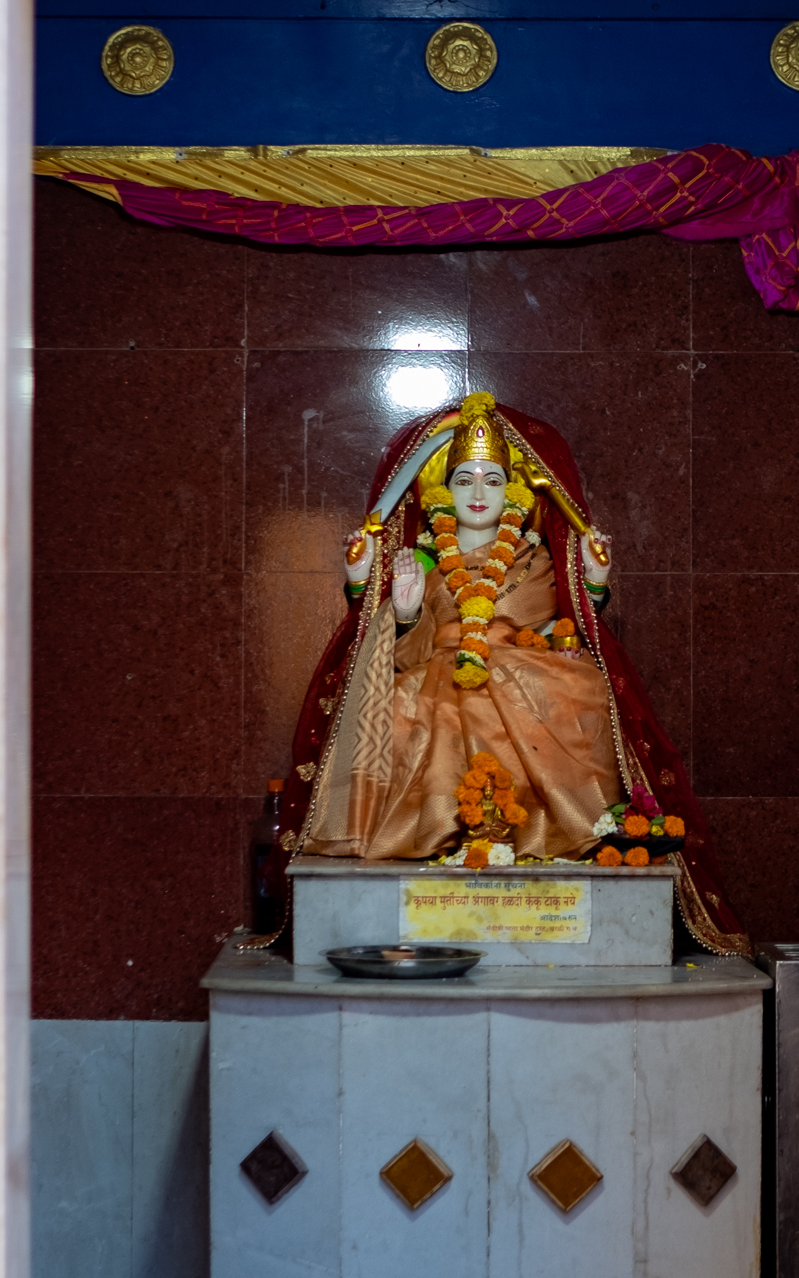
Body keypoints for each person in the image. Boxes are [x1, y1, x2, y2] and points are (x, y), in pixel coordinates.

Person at [280, 390, 747, 954]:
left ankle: (549, 829)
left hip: (529, 668)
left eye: (493, 480)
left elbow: (570, 624)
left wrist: (593, 582)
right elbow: (397, 650)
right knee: (402, 704)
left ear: (514, 490)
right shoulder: (424, 559)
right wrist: (399, 607)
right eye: (464, 480)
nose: (478, 493)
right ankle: (440, 829)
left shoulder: (537, 557)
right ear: (443, 491)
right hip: (437, 671)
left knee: (579, 687)